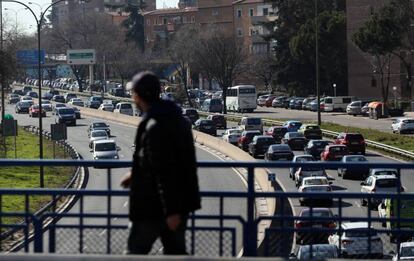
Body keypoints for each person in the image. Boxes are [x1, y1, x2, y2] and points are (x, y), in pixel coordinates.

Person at [121, 71, 201, 255]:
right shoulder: (176, 119)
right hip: (178, 203)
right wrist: (135, 174)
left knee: (135, 253)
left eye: (133, 93)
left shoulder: (155, 125)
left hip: (154, 207)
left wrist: (171, 211)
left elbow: (165, 169)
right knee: (175, 253)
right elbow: (163, 160)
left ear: (139, 96)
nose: (133, 97)